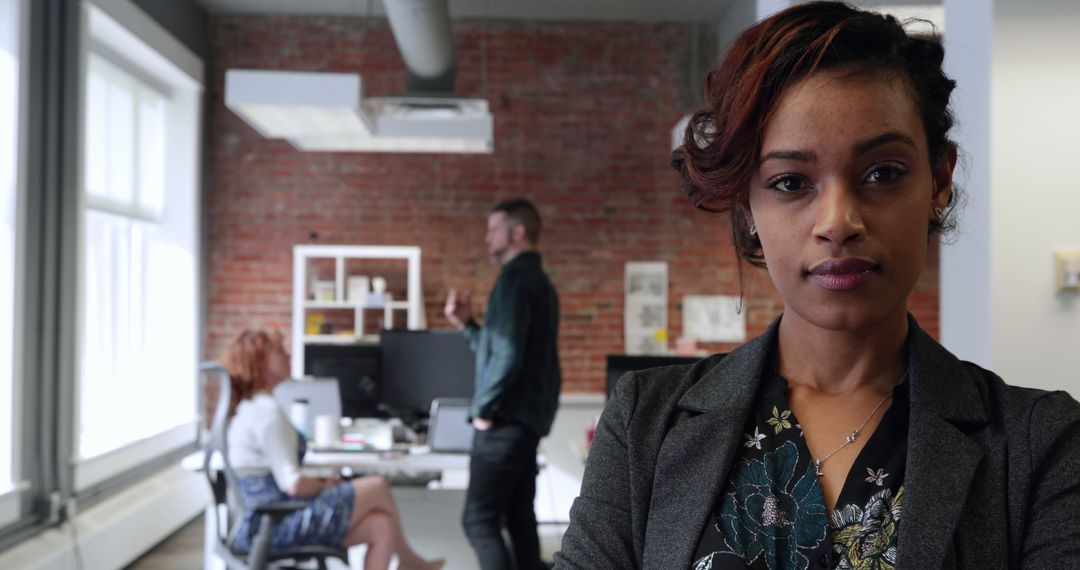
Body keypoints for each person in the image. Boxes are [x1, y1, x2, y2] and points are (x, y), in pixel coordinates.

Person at [556, 3, 1080, 569]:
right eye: (790, 182)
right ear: (747, 206)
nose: (837, 221)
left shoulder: (1039, 446)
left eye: (882, 173)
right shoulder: (645, 426)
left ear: (939, 180)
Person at [222, 329, 443, 570]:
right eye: (280, 351)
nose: (289, 356)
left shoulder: (251, 408)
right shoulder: (267, 412)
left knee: (382, 525)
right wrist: (323, 485)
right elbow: (293, 484)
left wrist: (321, 483)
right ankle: (410, 562)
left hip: (266, 522)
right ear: (260, 361)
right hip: (276, 526)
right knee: (377, 485)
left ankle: (409, 562)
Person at [444, 199, 562, 570]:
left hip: (504, 421)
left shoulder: (515, 279)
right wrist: (467, 325)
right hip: (524, 423)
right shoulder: (537, 282)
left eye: (493, 229)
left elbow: (507, 356)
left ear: (518, 232)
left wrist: (482, 410)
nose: (487, 237)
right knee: (518, 518)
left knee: (478, 522)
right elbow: (499, 352)